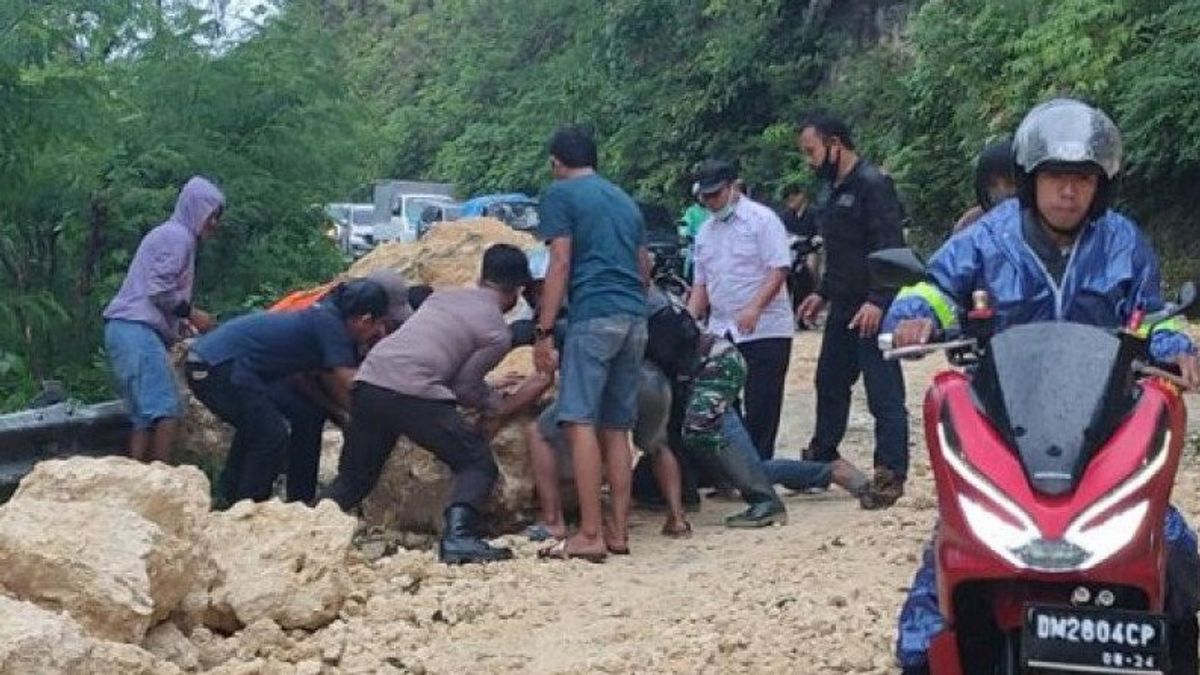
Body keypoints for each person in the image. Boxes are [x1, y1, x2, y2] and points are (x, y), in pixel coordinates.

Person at [884, 98, 1200, 674]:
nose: (1068, 193)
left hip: (1106, 425)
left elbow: (1153, 314)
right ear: (1030, 180)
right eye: (1056, 177)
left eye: (1082, 179)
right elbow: (934, 285)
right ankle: (926, 662)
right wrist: (915, 312)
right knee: (947, 561)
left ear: (1100, 186)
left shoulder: (1124, 241)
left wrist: (1176, 345)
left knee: (1171, 546)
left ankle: (1173, 652)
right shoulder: (987, 239)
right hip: (1003, 424)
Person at [325, 244, 551, 564]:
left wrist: (481, 387)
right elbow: (464, 387)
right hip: (413, 392)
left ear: (481, 276)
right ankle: (459, 538)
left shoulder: (443, 297)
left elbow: (441, 353)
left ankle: (305, 528)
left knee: (356, 477)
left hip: (370, 381)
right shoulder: (496, 331)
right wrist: (496, 403)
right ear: (517, 290)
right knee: (476, 462)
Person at [532, 125, 650, 561]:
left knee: (578, 419)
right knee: (617, 427)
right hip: (633, 317)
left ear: (556, 162)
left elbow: (560, 260)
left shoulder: (560, 194)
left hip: (594, 315)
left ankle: (588, 533)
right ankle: (618, 532)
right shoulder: (623, 199)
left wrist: (544, 331)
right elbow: (644, 268)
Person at [185, 279, 390, 505]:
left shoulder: (324, 315)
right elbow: (349, 383)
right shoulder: (331, 326)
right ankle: (246, 508)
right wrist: (375, 417)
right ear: (364, 320)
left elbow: (304, 379)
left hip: (218, 362)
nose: (379, 332)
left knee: (305, 415)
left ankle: (298, 500)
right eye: (378, 324)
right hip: (219, 365)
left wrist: (338, 413)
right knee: (270, 435)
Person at [794, 111, 909, 509]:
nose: (809, 161)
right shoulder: (828, 189)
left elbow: (889, 247)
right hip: (842, 305)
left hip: (872, 306)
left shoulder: (873, 185)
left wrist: (879, 300)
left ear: (834, 144)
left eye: (812, 151)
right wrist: (821, 293)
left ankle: (890, 472)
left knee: (883, 393)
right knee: (829, 381)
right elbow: (839, 250)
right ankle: (823, 455)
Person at [265, 269, 421, 503]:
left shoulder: (345, 306)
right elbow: (310, 376)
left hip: (290, 365)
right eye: (382, 321)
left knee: (317, 415)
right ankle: (292, 501)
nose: (384, 329)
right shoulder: (328, 322)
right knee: (303, 418)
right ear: (369, 313)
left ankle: (302, 499)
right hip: (271, 368)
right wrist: (347, 412)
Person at [103, 176, 225, 463]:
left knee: (144, 416)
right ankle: (161, 479)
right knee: (165, 409)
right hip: (136, 330)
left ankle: (138, 477)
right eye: (212, 216)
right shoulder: (177, 237)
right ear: (197, 209)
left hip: (125, 329)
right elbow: (159, 290)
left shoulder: (173, 236)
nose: (214, 224)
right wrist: (193, 314)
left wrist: (180, 325)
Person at [686, 159, 794, 461]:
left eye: (716, 195)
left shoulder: (762, 220)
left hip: (766, 328)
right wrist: (689, 320)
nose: (710, 202)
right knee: (723, 403)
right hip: (722, 329)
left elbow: (778, 268)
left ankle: (760, 469)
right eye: (704, 197)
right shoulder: (705, 232)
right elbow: (701, 285)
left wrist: (755, 307)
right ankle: (731, 469)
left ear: (734, 187)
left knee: (762, 404)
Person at [527, 360, 691, 553]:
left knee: (539, 431)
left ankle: (553, 522)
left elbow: (547, 370)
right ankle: (676, 518)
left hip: (603, 382)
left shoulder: (574, 329)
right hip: (652, 379)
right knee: (656, 444)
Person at [951, 137, 1016, 233]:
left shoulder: (1042, 218)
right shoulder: (971, 223)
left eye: (1010, 183)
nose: (1002, 190)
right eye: (993, 185)